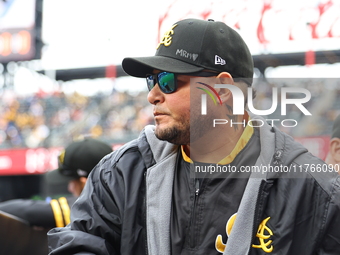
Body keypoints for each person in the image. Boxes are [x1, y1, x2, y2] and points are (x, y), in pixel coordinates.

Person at [47, 18, 340, 255]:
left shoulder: (313, 191)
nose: (152, 95)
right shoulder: (121, 173)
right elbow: (80, 243)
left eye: (168, 80)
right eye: (152, 79)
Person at [0, 138, 113, 229]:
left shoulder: (101, 205)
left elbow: (30, 211)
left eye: (72, 181)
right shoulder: (121, 195)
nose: (70, 188)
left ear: (86, 182)